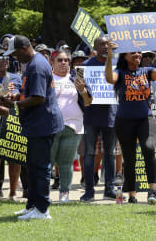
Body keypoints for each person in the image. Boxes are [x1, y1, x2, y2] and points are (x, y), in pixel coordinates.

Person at [1, 35, 64, 220]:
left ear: (23, 49)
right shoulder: (35, 63)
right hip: (38, 123)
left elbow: (38, 98)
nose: (13, 58)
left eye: (14, 54)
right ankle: (32, 205)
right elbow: (31, 93)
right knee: (33, 165)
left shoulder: (36, 66)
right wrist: (16, 97)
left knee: (41, 167)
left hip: (42, 123)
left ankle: (42, 209)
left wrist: (14, 105)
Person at [105, 38, 156, 204]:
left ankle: (152, 192)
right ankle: (132, 195)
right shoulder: (120, 73)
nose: (137, 54)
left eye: (139, 52)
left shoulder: (147, 71)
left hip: (146, 119)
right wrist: (109, 54)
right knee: (129, 157)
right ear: (125, 56)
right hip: (124, 121)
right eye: (132, 52)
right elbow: (109, 78)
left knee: (149, 151)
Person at [50, 50, 92, 203]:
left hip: (73, 127)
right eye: (60, 60)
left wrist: (82, 90)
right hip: (51, 127)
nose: (64, 63)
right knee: (48, 161)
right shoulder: (48, 78)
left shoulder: (77, 77)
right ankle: (42, 193)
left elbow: (87, 102)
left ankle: (64, 193)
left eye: (67, 60)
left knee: (66, 162)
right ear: (52, 63)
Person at [79, 35, 117, 202]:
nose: (106, 47)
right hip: (91, 117)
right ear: (94, 48)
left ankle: (109, 189)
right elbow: (79, 94)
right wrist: (85, 94)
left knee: (110, 154)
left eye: (108, 44)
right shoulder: (83, 67)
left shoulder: (117, 66)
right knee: (89, 154)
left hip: (112, 116)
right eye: (102, 44)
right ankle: (89, 190)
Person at [0, 45, 22, 201]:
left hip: (11, 120)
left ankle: (13, 193)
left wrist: (13, 96)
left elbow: (18, 92)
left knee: (13, 156)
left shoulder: (15, 77)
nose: (4, 61)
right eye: (0, 58)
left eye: (6, 58)